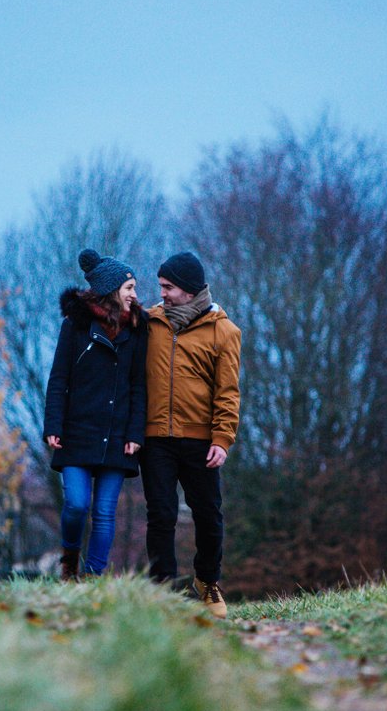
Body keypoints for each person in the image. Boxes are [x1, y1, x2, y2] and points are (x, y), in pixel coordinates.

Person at [140, 251, 241, 617]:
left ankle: (207, 582)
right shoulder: (149, 323)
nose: (162, 293)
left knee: (209, 516)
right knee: (161, 514)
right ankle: (163, 589)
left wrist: (222, 439)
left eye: (168, 287)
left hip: (202, 441)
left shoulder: (224, 332)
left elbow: (228, 392)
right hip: (155, 440)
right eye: (161, 287)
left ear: (189, 288)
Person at [43, 248, 148, 580]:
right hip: (77, 433)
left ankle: (92, 579)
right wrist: (53, 424)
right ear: (112, 289)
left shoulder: (136, 332)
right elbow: (59, 379)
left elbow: (138, 387)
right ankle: (69, 562)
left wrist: (134, 434)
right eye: (129, 288)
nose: (135, 294)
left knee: (104, 513)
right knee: (76, 504)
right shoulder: (75, 327)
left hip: (117, 438)